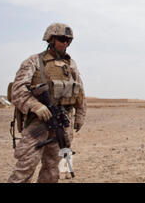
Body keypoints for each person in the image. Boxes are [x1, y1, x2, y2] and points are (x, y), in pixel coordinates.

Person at [8, 23, 87, 183]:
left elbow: (80, 92)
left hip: (61, 122)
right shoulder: (34, 61)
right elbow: (17, 89)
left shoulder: (70, 65)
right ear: (50, 39)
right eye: (62, 39)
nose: (65, 43)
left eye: (68, 41)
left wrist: (80, 116)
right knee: (26, 166)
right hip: (38, 123)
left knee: (52, 169)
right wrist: (35, 105)